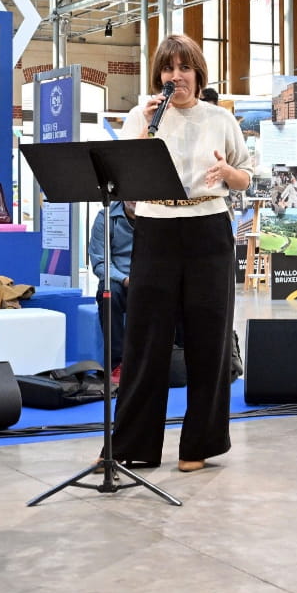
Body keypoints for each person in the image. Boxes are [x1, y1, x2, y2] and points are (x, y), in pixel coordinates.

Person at [108, 34, 250, 472]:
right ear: (159, 76)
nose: (175, 77)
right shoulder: (141, 117)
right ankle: (132, 444)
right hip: (155, 227)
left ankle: (199, 445)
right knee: (146, 339)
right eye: (168, 69)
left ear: (197, 73)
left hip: (208, 227)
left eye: (183, 68)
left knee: (209, 338)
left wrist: (229, 172)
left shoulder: (220, 119)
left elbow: (245, 176)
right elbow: (121, 179)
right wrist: (142, 130)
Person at [88, 200, 134, 369]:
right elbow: (100, 262)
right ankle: (117, 363)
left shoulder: (156, 216)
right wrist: (124, 279)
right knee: (109, 293)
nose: (135, 199)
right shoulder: (105, 217)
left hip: (147, 279)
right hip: (118, 280)